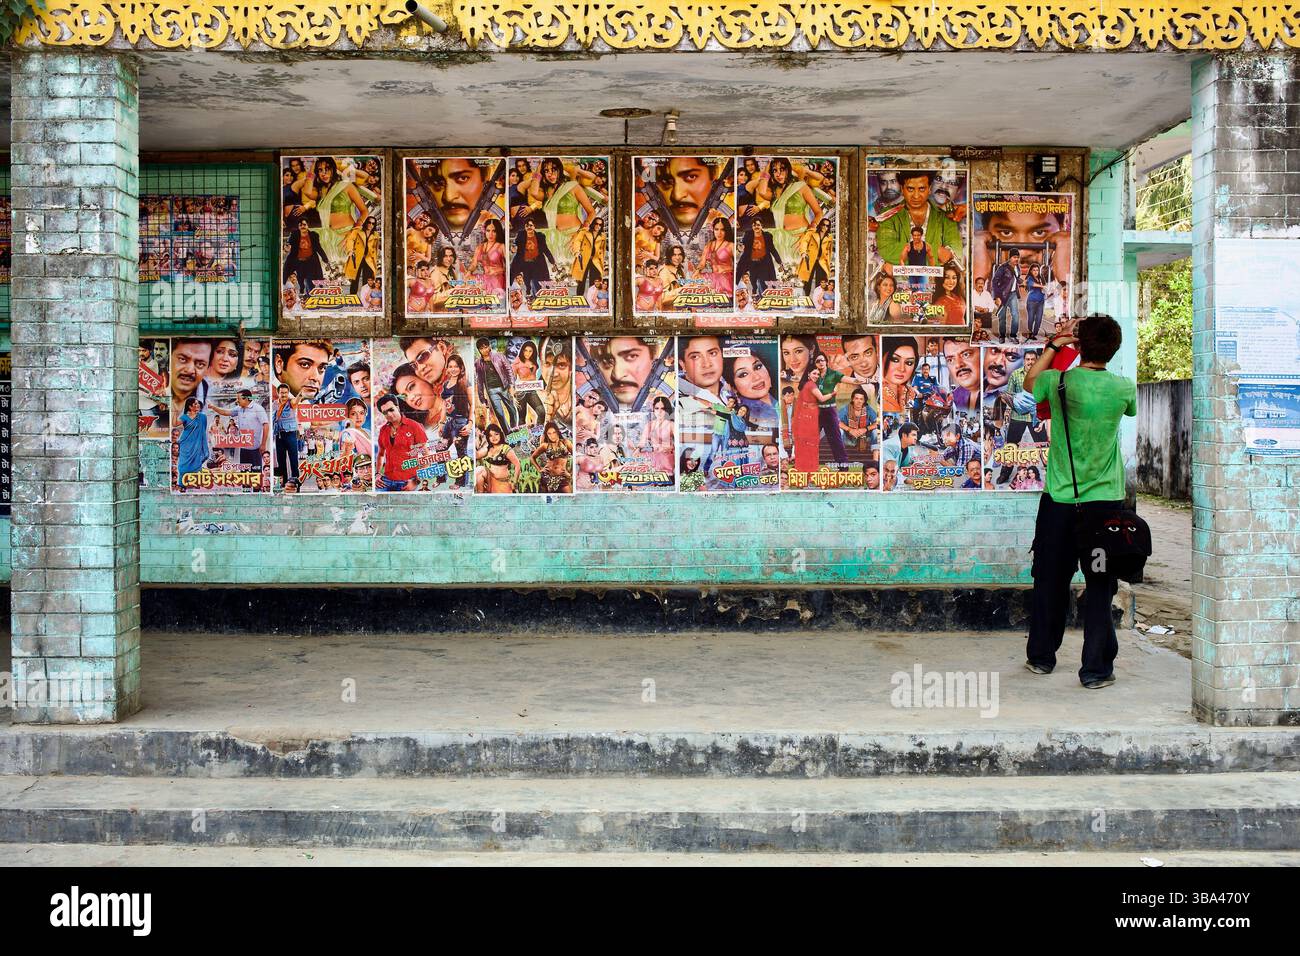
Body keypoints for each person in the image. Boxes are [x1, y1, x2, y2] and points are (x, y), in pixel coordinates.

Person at [1023, 315, 1137, 689]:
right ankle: (1096, 671)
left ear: (1079, 345)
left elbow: (1028, 383)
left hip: (1059, 502)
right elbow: (1130, 412)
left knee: (1050, 582)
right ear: (1114, 349)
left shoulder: (1058, 382)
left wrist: (1056, 345)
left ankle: (1041, 658)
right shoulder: (1123, 388)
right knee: (1101, 585)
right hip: (1105, 508)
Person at [375, 393, 428, 492]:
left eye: (391, 410)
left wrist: (416, 481)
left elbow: (426, 456)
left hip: (408, 482)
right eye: (385, 412)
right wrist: (377, 474)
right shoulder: (383, 430)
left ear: (397, 407)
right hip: (386, 481)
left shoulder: (414, 426)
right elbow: (381, 454)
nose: (389, 414)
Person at [475, 337, 517, 431]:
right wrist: (482, 398)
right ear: (479, 350)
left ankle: (514, 430)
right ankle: (508, 433)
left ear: (489, 346)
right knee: (499, 414)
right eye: (481, 349)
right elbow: (480, 380)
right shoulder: (478, 363)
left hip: (504, 387)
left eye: (485, 347)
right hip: (492, 391)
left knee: (512, 410)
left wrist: (511, 386)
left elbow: (509, 370)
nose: (484, 350)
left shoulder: (499, 356)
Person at [991, 249, 1023, 341]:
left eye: (1018, 257)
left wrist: (1022, 282)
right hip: (1003, 295)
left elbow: (1016, 278)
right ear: (1010, 258)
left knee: (1016, 316)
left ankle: (1013, 335)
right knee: (1002, 316)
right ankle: (1002, 336)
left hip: (1013, 294)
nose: (1016, 259)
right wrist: (996, 297)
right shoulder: (1003, 268)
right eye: (1014, 257)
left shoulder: (1018, 267)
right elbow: (994, 282)